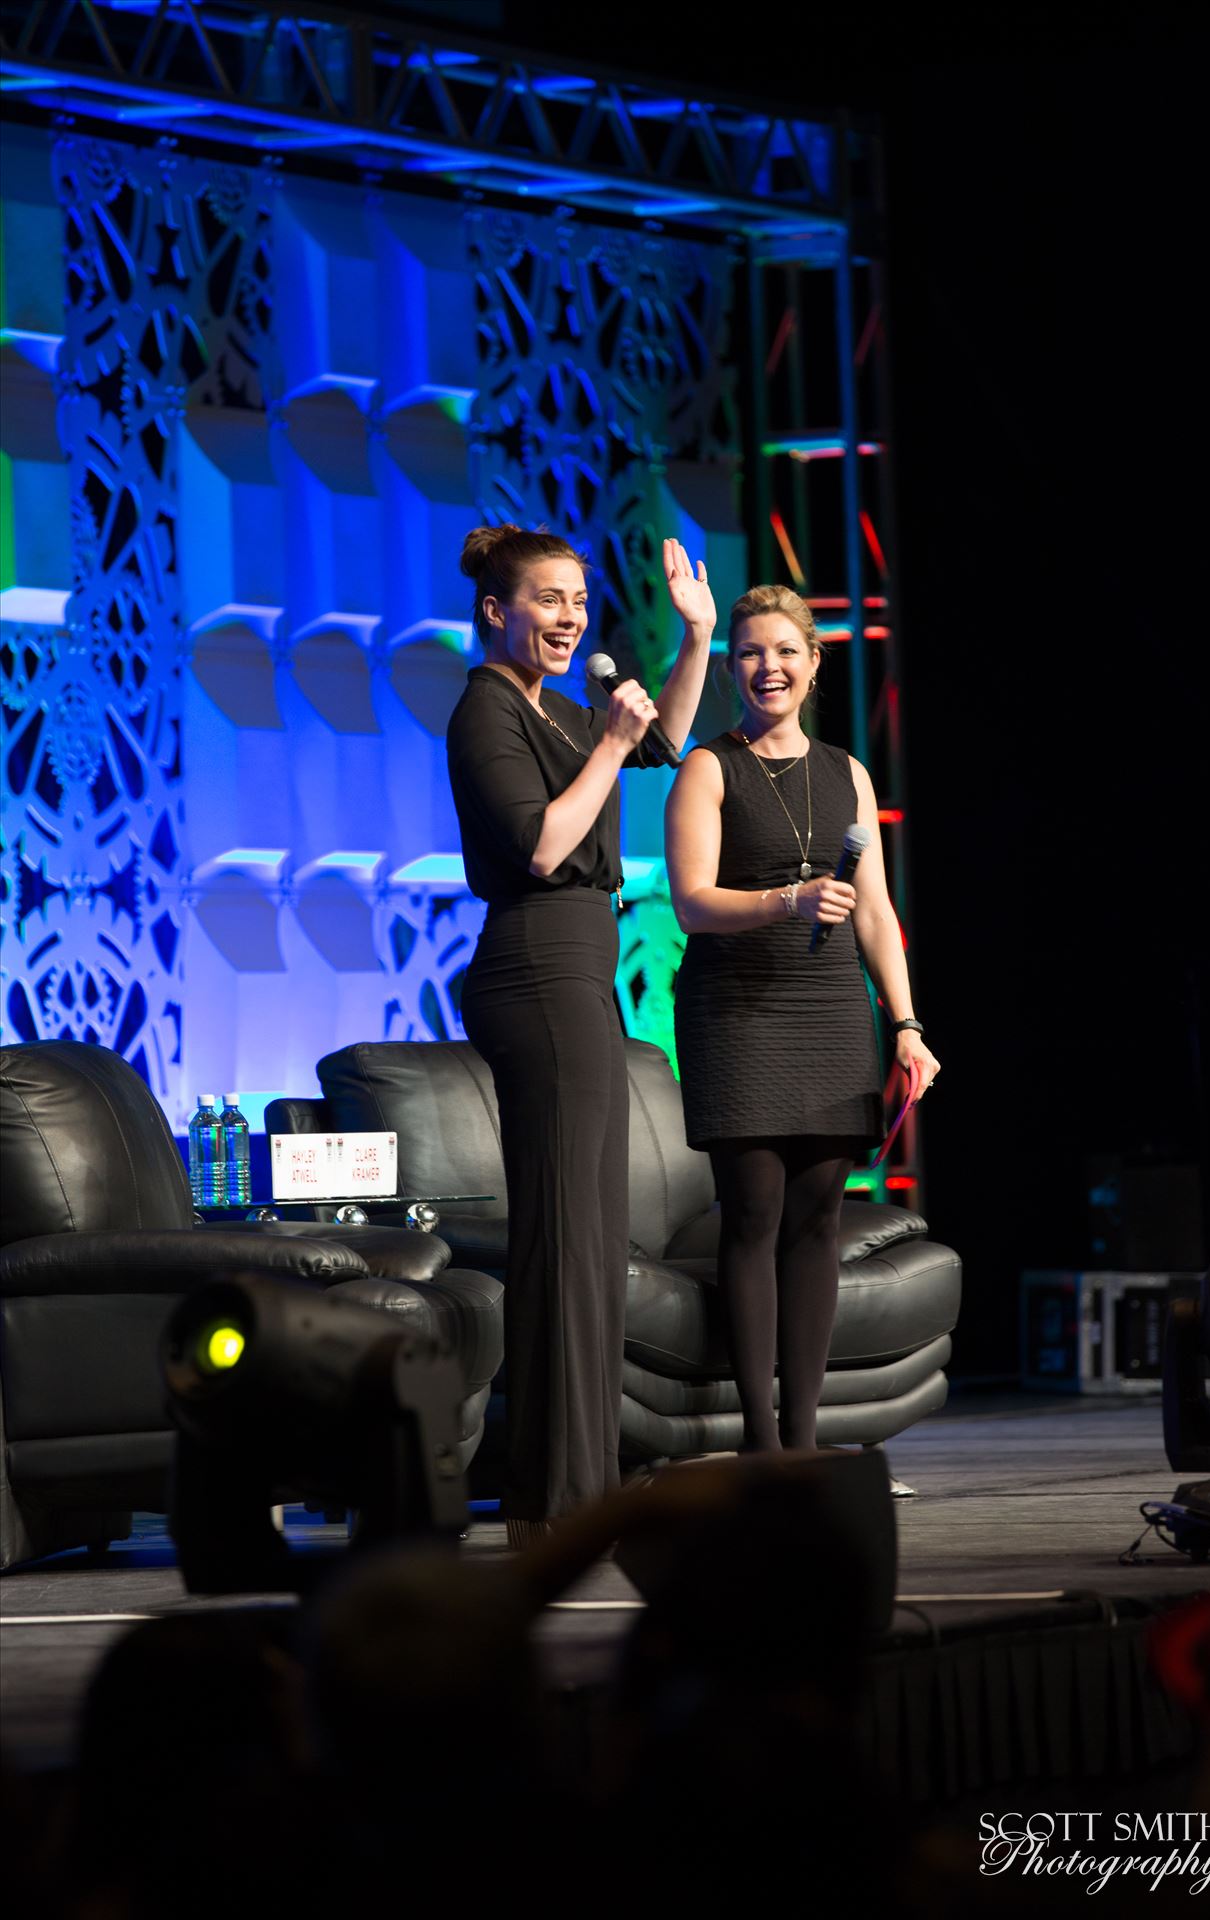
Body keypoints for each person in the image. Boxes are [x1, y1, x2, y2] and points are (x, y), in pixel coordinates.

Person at [447, 524, 715, 1543]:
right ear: (496, 613)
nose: (567, 618)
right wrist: (607, 742)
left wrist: (692, 641)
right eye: (546, 600)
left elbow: (660, 746)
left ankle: (585, 1487)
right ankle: (552, 1502)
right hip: (532, 966)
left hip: (582, 968)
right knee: (562, 1243)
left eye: (577, 599)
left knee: (595, 1240)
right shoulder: (484, 714)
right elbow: (545, 843)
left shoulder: (556, 709)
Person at [665, 584, 941, 1453]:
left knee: (821, 1213)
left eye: (785, 651)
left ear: (815, 664)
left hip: (829, 1013)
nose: (767, 668)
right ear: (730, 667)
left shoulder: (846, 773)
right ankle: (761, 1442)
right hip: (737, 1010)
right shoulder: (710, 767)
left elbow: (874, 912)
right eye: (750, 652)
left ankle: (806, 1436)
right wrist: (786, 900)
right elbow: (692, 904)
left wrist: (905, 1025)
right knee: (752, 1211)